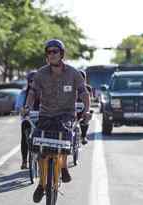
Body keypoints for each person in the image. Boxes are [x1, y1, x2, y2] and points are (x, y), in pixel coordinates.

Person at [24, 39, 91, 203]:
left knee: (63, 140)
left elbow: (84, 93)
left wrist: (87, 110)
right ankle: (41, 184)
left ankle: (64, 166)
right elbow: (32, 92)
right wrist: (27, 106)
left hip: (66, 115)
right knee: (40, 147)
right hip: (46, 114)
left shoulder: (73, 73)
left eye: (55, 51)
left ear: (61, 54)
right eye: (49, 52)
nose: (51, 54)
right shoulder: (40, 73)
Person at [15, 71, 39, 169]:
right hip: (28, 119)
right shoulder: (23, 93)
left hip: (40, 119)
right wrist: (21, 110)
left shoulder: (43, 91)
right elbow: (18, 106)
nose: (33, 83)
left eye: (35, 81)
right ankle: (24, 161)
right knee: (24, 138)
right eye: (31, 81)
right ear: (28, 82)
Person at [78, 70, 93, 145]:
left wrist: (87, 110)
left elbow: (89, 100)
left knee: (87, 117)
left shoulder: (88, 88)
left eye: (82, 78)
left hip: (83, 108)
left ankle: (83, 136)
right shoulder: (71, 86)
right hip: (72, 108)